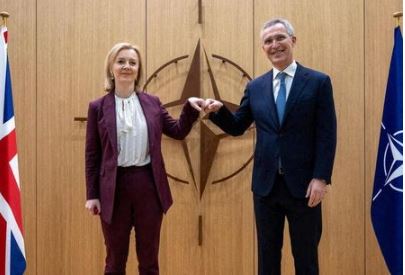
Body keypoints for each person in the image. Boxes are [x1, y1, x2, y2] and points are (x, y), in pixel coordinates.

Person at [204, 18, 337, 275]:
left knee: (306, 259)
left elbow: (327, 134)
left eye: (280, 38)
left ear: (293, 41)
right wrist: (217, 112)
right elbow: (237, 126)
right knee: (267, 260)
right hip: (266, 189)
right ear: (262, 48)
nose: (274, 45)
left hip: (305, 188)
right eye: (268, 41)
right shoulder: (256, 87)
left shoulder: (319, 82)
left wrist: (321, 177)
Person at [84, 42, 204, 275]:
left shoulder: (153, 103)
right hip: (113, 189)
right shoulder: (97, 107)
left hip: (148, 186)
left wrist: (190, 108)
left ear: (138, 69)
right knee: (114, 260)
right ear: (111, 68)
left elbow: (178, 131)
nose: (126, 66)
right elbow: (92, 155)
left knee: (149, 261)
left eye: (132, 62)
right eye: (121, 62)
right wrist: (92, 195)